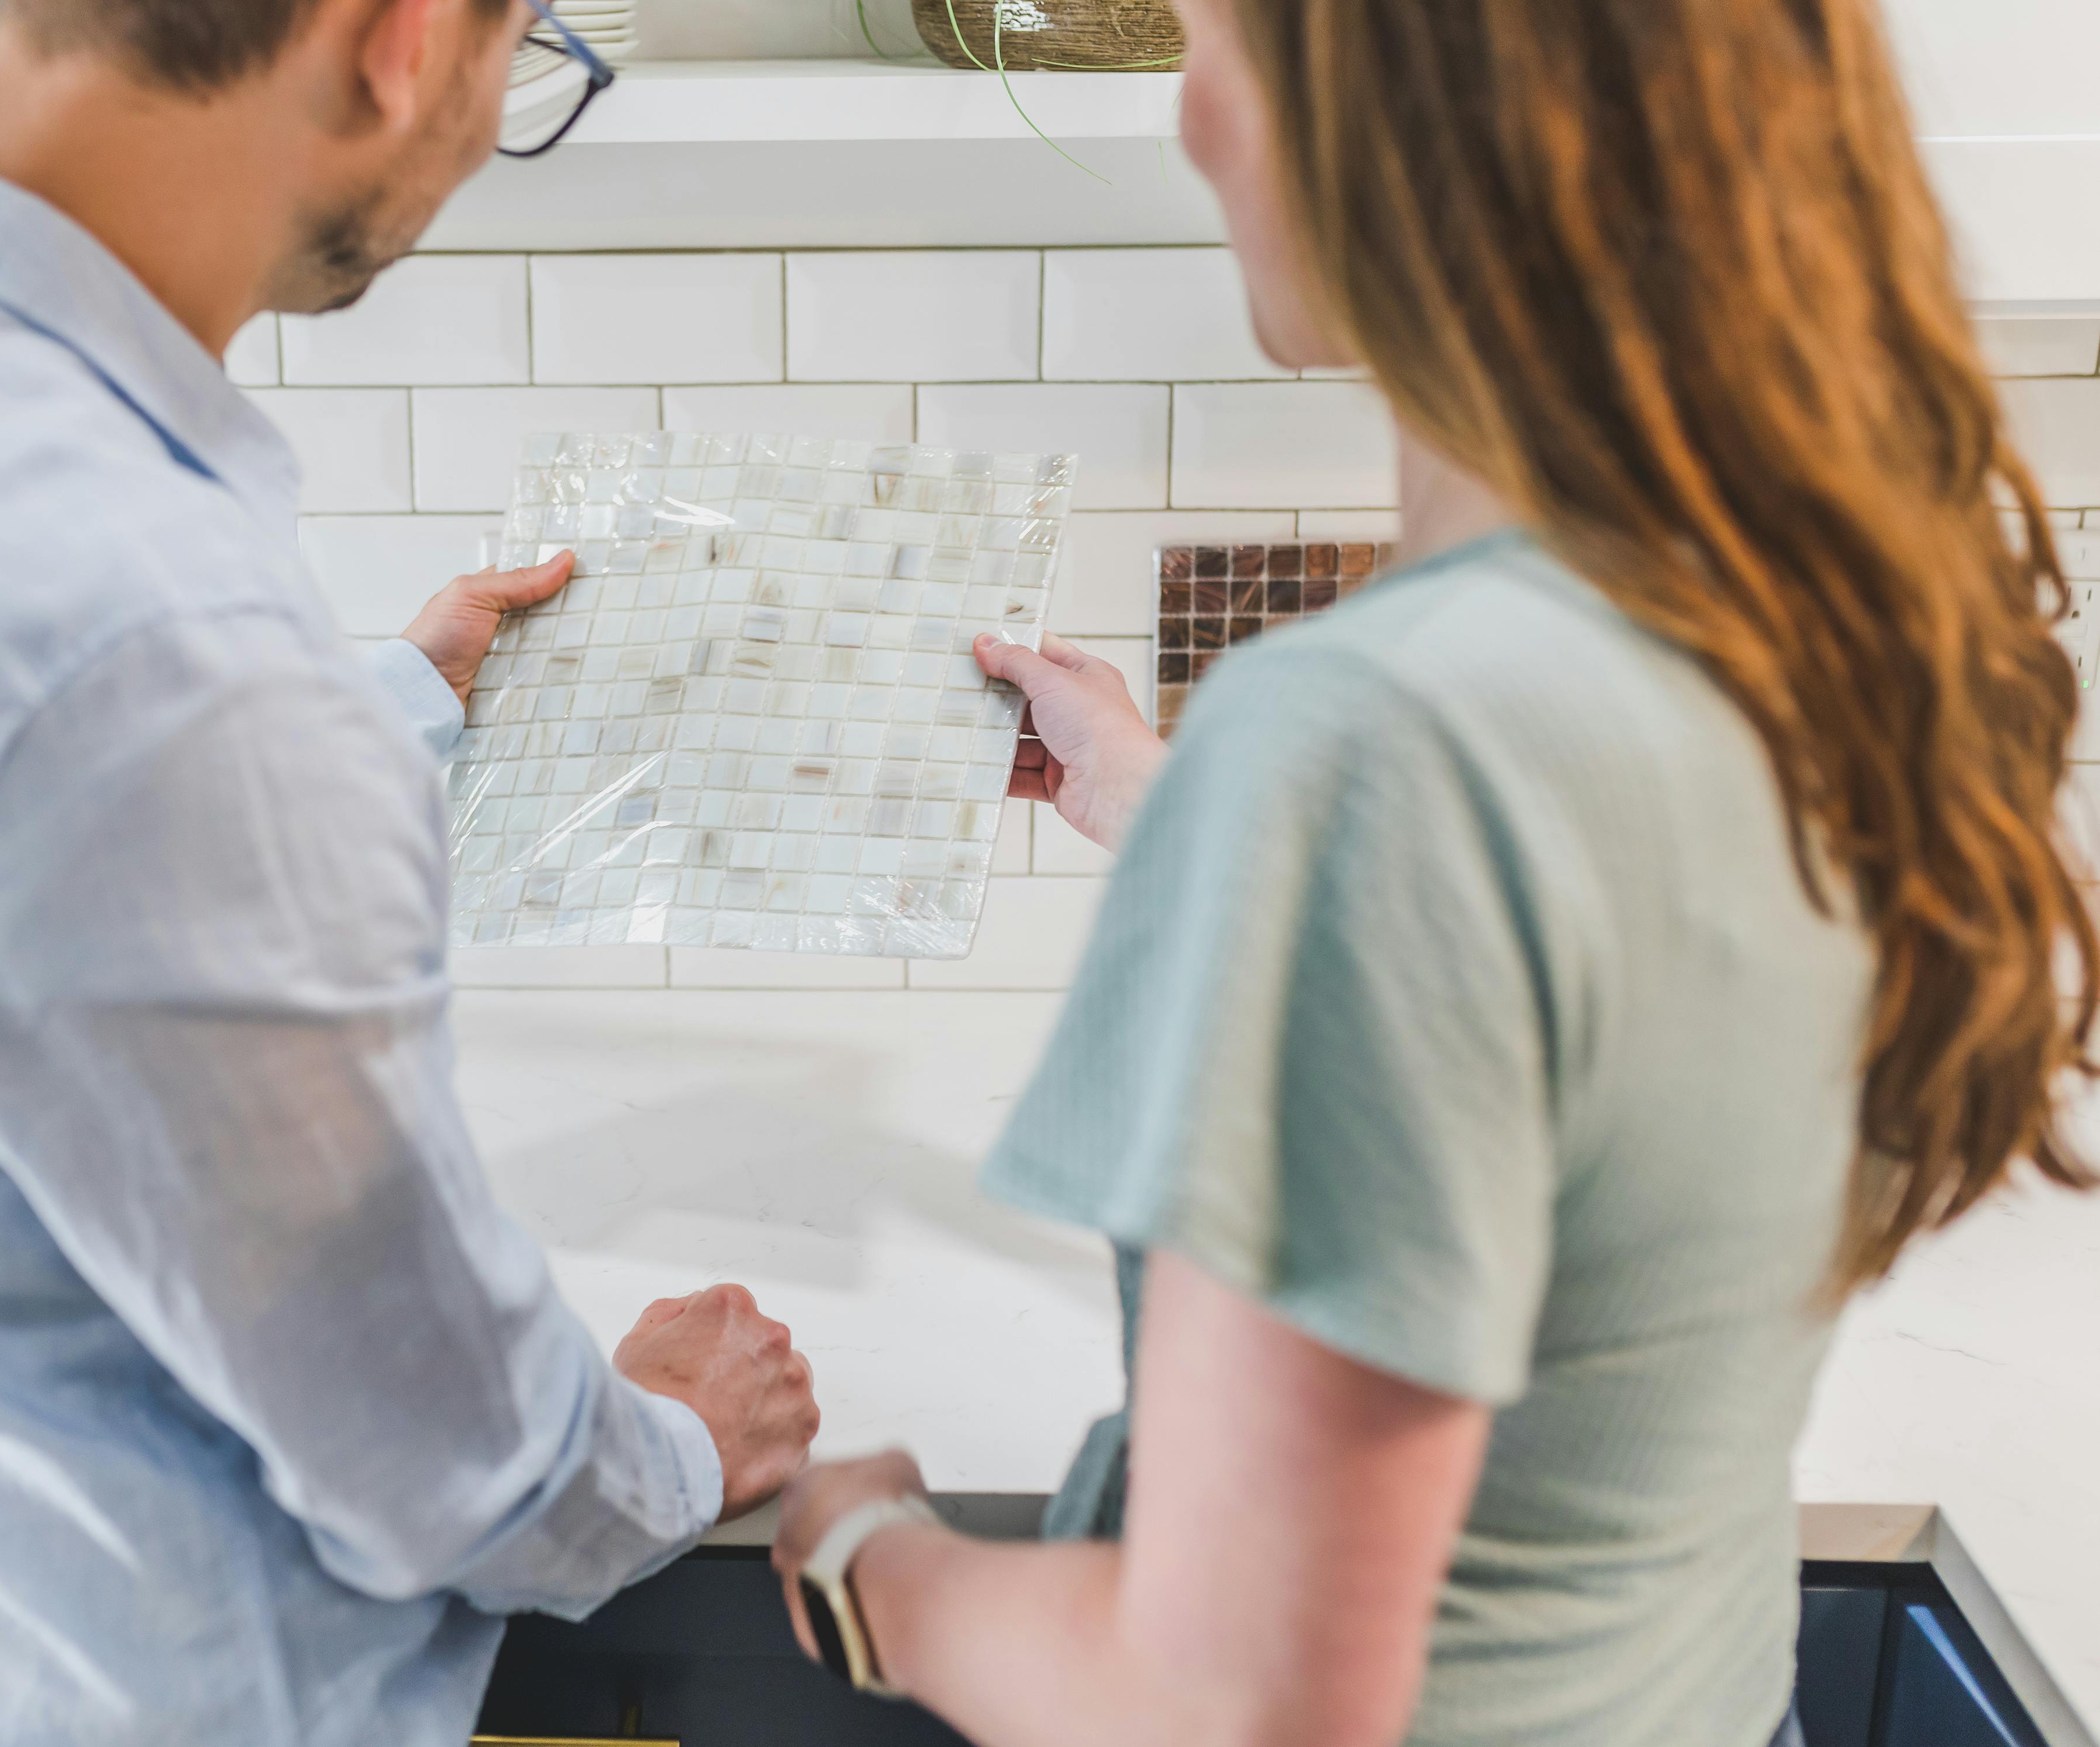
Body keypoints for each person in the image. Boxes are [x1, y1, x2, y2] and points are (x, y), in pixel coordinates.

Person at [772, 1, 2095, 1744]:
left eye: (1217, 36)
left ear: (1386, 113)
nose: (1188, 119)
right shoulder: (1821, 632)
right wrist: (1176, 808)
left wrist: (865, 1559)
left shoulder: (1370, 747)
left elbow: (1230, 1708)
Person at [0, 1, 818, 1744]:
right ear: (403, 41)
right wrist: (664, 1435)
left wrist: (379, 703)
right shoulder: (152, 654)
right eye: (524, 55)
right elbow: (452, 1469)